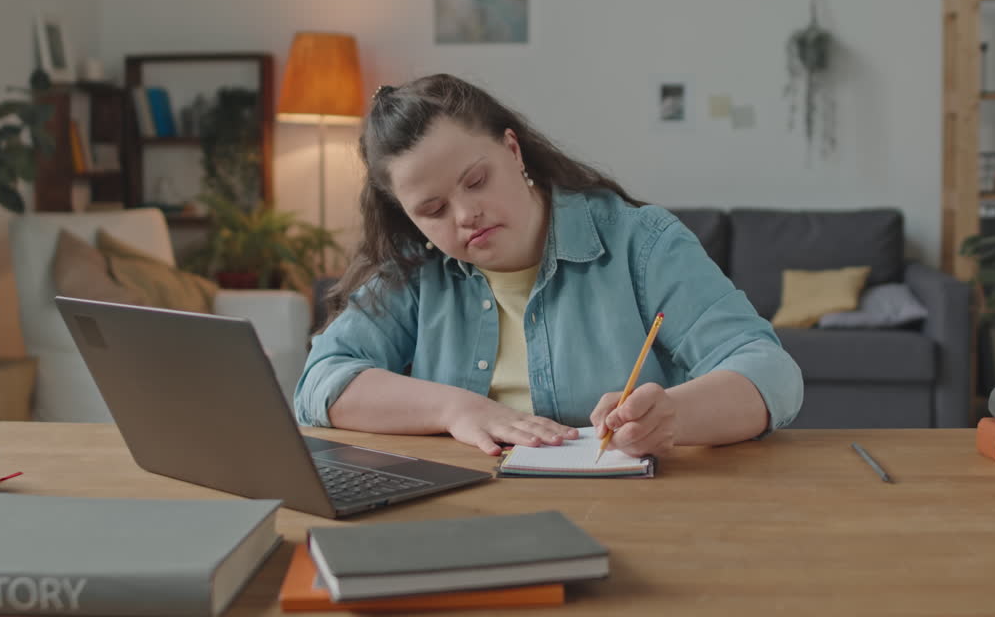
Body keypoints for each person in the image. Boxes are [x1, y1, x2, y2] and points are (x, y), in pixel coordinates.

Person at [294, 74, 803, 457]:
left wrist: (673, 417)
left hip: (635, 510)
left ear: (513, 150)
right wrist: (456, 409)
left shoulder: (639, 241)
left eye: (476, 181)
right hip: (465, 513)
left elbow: (769, 371)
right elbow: (321, 382)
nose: (466, 215)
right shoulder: (416, 269)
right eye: (433, 210)